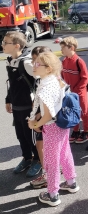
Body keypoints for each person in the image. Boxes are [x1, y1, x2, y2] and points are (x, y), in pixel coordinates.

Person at [28, 51, 79, 206]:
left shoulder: (45, 87)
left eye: (37, 64)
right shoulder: (55, 79)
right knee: (65, 153)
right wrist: (39, 117)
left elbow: (49, 114)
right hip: (62, 125)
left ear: (48, 68)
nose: (33, 66)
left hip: (51, 127)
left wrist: (35, 124)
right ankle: (71, 183)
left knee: (52, 161)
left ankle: (52, 194)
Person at [2, 31, 42, 178]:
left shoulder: (25, 63)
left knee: (30, 136)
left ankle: (38, 160)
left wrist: (37, 107)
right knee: (20, 135)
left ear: (17, 45)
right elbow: (11, 84)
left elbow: (40, 81)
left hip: (29, 107)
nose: (3, 44)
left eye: (6, 42)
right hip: (17, 105)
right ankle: (27, 158)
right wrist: (8, 99)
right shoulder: (9, 61)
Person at [60, 36, 88, 143]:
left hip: (79, 93)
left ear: (71, 48)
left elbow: (85, 78)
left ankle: (87, 130)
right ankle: (76, 130)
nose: (61, 50)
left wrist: (78, 90)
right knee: (73, 112)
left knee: (84, 112)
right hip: (69, 93)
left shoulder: (79, 61)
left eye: (63, 48)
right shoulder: (64, 61)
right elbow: (62, 76)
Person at [29, 46, 52, 189]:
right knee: (43, 145)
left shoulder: (48, 81)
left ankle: (48, 175)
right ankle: (51, 171)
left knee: (43, 145)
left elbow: (49, 107)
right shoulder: (42, 78)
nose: (33, 65)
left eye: (36, 61)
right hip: (43, 117)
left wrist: (37, 122)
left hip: (47, 120)